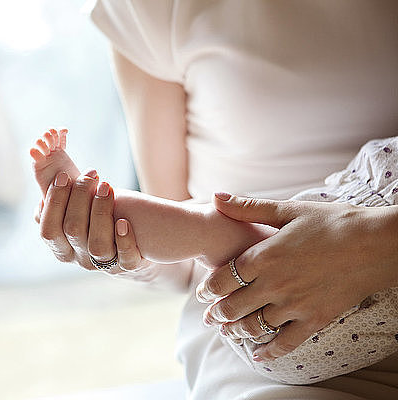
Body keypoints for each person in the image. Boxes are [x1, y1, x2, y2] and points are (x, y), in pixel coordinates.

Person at [35, 1, 398, 398]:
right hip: (263, 295)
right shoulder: (149, 9)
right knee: (225, 238)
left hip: (336, 274)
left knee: (215, 233)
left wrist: (375, 244)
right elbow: (179, 246)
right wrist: (114, 244)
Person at [31, 128, 398, 384]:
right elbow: (178, 267)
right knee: (226, 240)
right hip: (275, 296)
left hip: (300, 316)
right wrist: (127, 262)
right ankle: (96, 206)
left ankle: (99, 202)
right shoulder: (151, 22)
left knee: (217, 235)